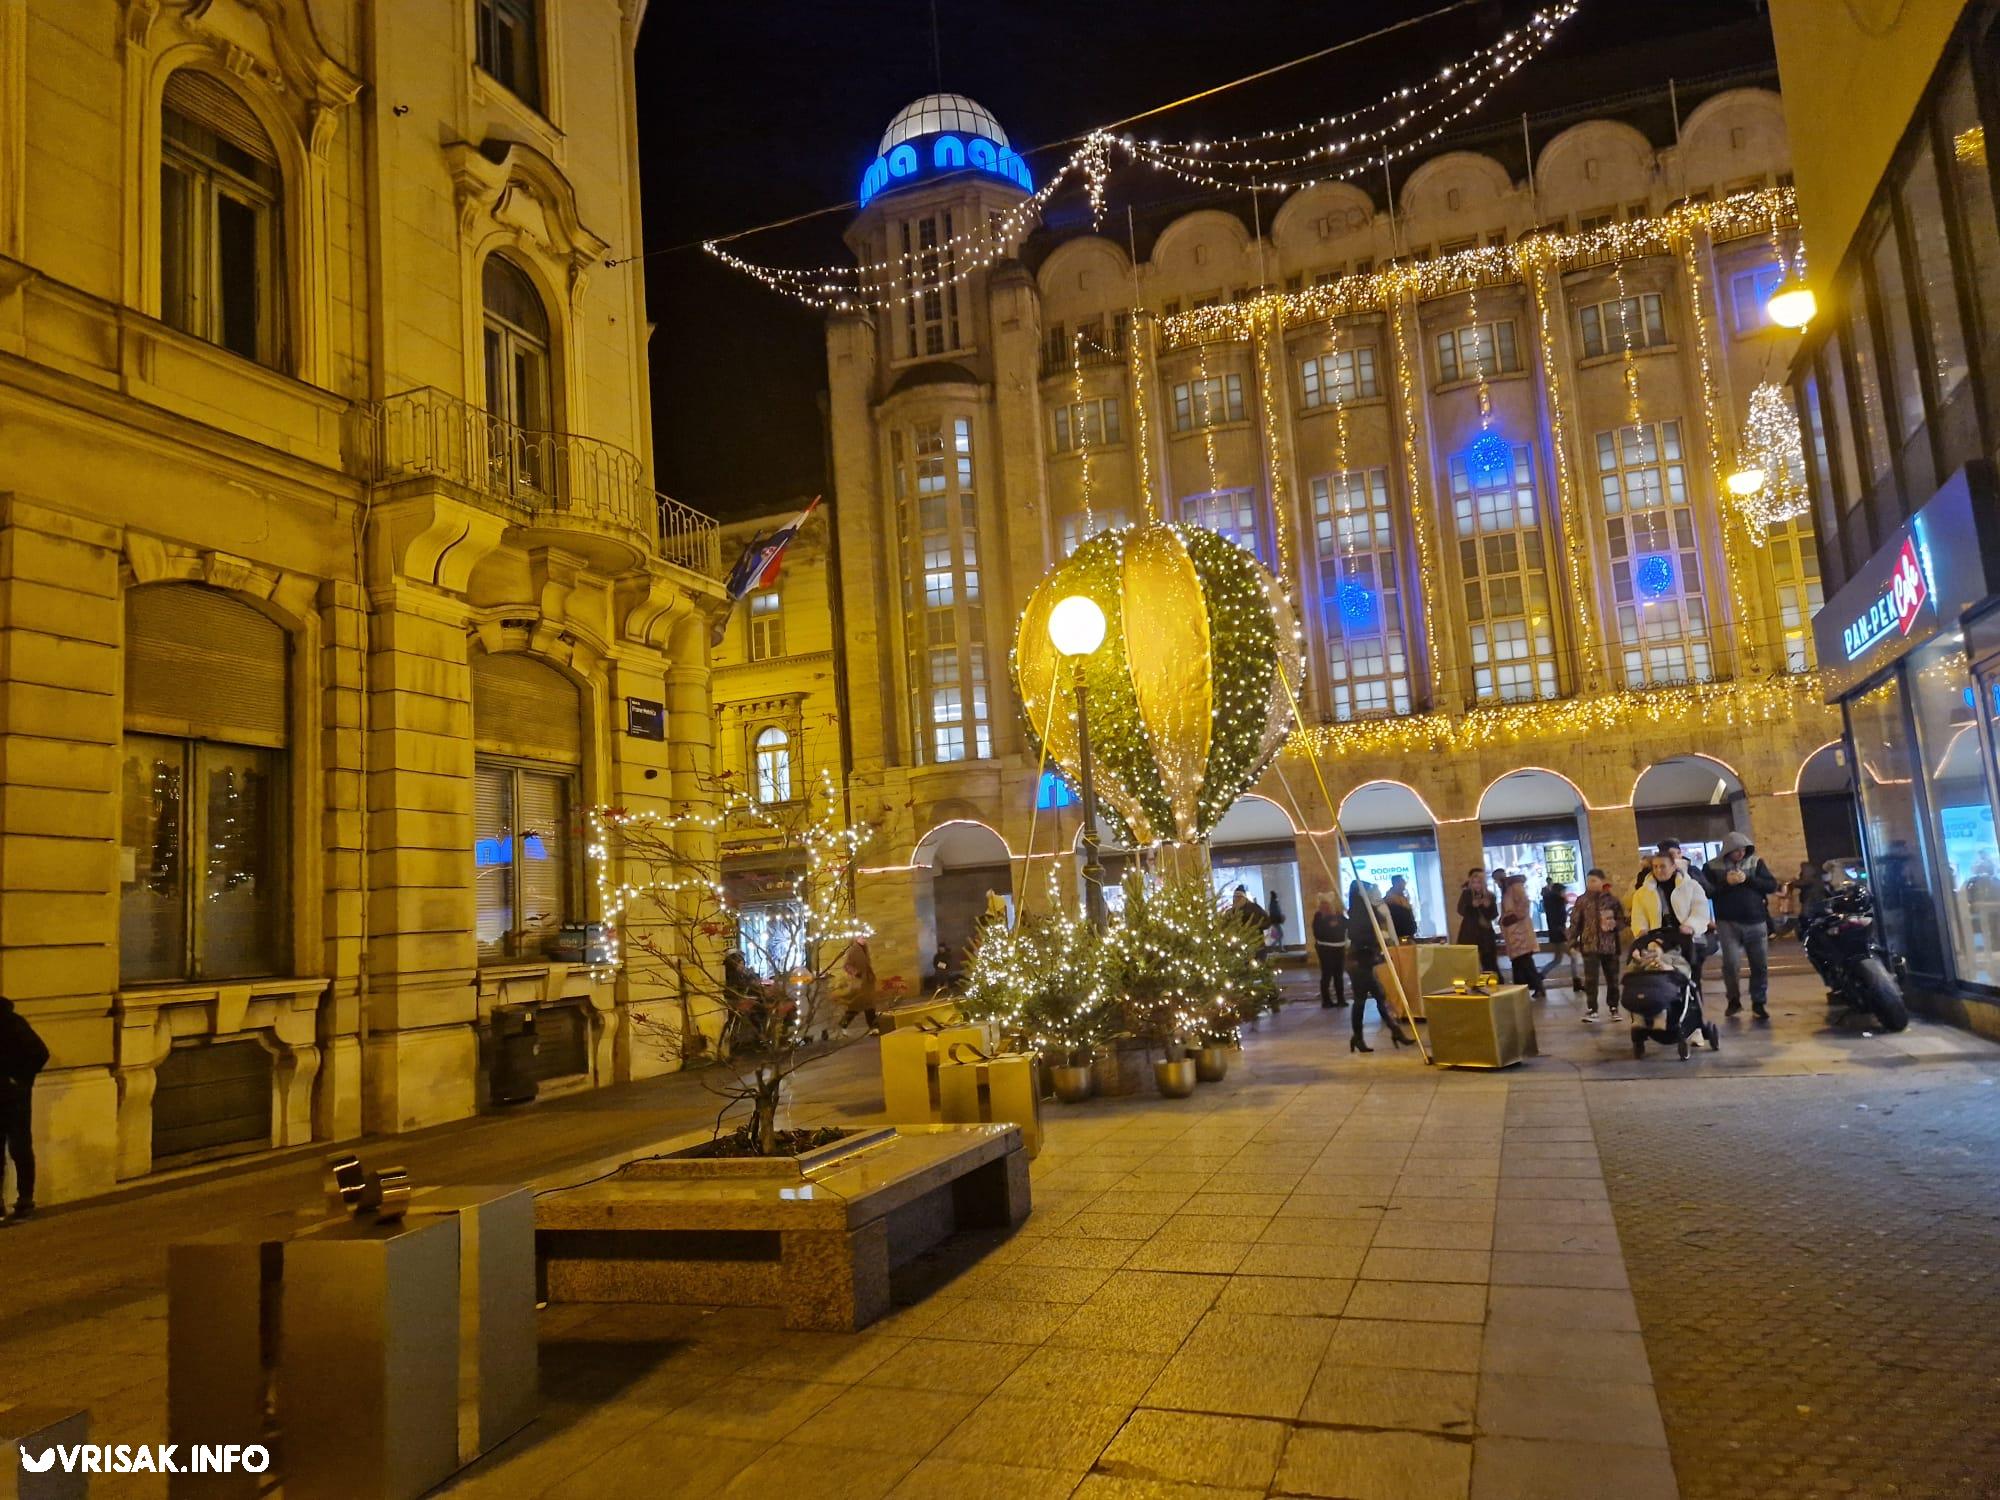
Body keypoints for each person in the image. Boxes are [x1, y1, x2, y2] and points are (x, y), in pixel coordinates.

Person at [1704, 832, 1778, 1020]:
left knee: (1760, 964)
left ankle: (1759, 1003)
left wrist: (1748, 879)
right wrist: (1726, 883)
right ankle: (1733, 1001)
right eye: (1737, 850)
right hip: (1727, 922)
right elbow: (1707, 891)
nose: (1741, 854)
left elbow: (1771, 885)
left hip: (1756, 921)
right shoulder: (1712, 866)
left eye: (1744, 850)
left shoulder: (1756, 862)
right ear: (1728, 850)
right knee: (1731, 964)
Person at [1346, 879, 1413, 1052]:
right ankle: (1359, 1037)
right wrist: (1376, 937)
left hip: (1365, 959)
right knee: (1362, 1000)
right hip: (1358, 961)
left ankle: (1394, 1031)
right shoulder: (1358, 910)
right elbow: (1357, 934)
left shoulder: (1367, 908)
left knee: (1379, 995)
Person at [0, 997, 47, 1223]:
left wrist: (19, 1079)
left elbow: (40, 1053)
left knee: (19, 1148)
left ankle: (25, 1202)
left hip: (15, 1097)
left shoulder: (12, 1022)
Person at [1630, 846, 1710, 967]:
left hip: (1684, 934)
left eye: (1663, 866)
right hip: (1656, 934)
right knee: (1638, 955)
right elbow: (1638, 915)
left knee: (1690, 965)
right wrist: (1641, 929)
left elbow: (1700, 910)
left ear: (1673, 867)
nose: (1658, 870)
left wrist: (1690, 925)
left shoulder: (1692, 886)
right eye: (1655, 867)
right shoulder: (1642, 893)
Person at [1566, 870, 1628, 1022]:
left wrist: (1615, 924)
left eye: (1594, 880)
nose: (1590, 884)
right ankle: (1592, 1008)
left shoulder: (1612, 900)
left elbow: (1623, 920)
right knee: (1591, 979)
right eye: (1588, 881)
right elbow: (1575, 922)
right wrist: (1572, 941)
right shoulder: (1582, 900)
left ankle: (1614, 1007)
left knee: (1612, 978)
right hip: (1589, 945)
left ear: (1602, 881)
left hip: (1610, 945)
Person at [1500, 872, 1545, 998]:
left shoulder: (1515, 887)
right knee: (1520, 963)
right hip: (1514, 933)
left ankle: (1534, 986)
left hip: (1520, 933)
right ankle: (1524, 988)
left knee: (1525, 962)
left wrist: (1513, 917)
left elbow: (1524, 904)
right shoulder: (1507, 890)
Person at [1457, 867, 1500, 974]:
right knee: (1469, 964)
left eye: (1479, 882)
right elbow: (1460, 910)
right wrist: (1471, 905)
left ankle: (1495, 983)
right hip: (1470, 933)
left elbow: (1494, 914)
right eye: (1474, 882)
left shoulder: (1490, 896)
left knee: (1489, 963)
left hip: (1485, 934)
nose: (1477, 885)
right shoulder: (1467, 894)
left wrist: (1487, 906)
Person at [1312, 892, 1349, 1008]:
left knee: (1338, 974)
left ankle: (1340, 999)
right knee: (1327, 974)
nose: (1326, 907)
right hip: (1325, 949)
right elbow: (1317, 933)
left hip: (1339, 947)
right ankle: (1326, 1000)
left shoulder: (1338, 915)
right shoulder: (1319, 917)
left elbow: (1347, 924)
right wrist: (1329, 927)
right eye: (1324, 904)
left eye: (1328, 904)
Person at [1541, 880, 1577, 989]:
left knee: (1557, 960)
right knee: (1573, 956)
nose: (1565, 894)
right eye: (1563, 891)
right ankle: (1576, 981)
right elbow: (1559, 919)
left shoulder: (1550, 902)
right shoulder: (1558, 902)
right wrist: (1565, 932)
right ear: (1559, 892)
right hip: (1559, 934)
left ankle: (1540, 975)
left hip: (1554, 934)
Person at [1385, 876, 1419, 941]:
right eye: (1402, 883)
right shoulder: (1390, 900)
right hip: (1399, 937)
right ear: (1396, 884)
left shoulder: (1404, 898)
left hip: (1409, 935)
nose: (1404, 885)